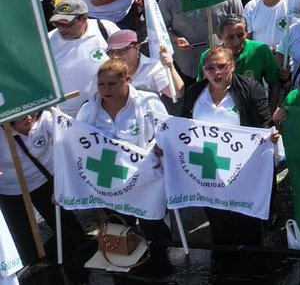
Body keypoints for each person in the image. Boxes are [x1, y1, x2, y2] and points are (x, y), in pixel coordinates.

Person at [76, 59, 171, 262]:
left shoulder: (148, 102)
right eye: (101, 84)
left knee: (151, 222)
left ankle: (161, 262)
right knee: (117, 225)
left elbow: (164, 133)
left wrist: (158, 149)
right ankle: (122, 266)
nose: (105, 89)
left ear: (127, 79)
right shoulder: (88, 110)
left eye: (112, 84)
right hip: (109, 177)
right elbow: (76, 142)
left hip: (144, 176)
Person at [180, 45, 275, 247]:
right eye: (210, 68)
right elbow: (182, 129)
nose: (216, 73)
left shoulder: (250, 88)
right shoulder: (194, 93)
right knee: (219, 226)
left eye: (222, 66)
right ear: (203, 70)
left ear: (232, 65)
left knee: (247, 224)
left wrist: (270, 136)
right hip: (209, 172)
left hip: (243, 170)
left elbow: (263, 124)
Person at [0, 109, 86, 263]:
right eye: (20, 115)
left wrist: (63, 183)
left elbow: (68, 139)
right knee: (23, 242)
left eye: (31, 112)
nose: (28, 117)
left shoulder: (45, 118)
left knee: (68, 228)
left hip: (44, 179)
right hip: (10, 189)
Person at [47, 0, 118, 115]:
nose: (61, 29)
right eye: (57, 24)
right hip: (70, 116)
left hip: (108, 108)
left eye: (67, 24)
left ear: (84, 18)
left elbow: (127, 59)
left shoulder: (105, 28)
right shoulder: (47, 42)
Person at [197, 14, 280, 96]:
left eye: (240, 35)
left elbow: (275, 83)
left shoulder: (260, 50)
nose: (236, 42)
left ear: (247, 32)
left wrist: (270, 109)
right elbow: (201, 89)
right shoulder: (207, 57)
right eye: (230, 37)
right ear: (220, 37)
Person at [105, 29, 181, 100]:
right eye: (112, 52)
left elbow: (175, 94)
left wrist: (170, 67)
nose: (116, 56)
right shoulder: (106, 70)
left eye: (122, 50)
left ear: (136, 48)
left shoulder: (154, 67)